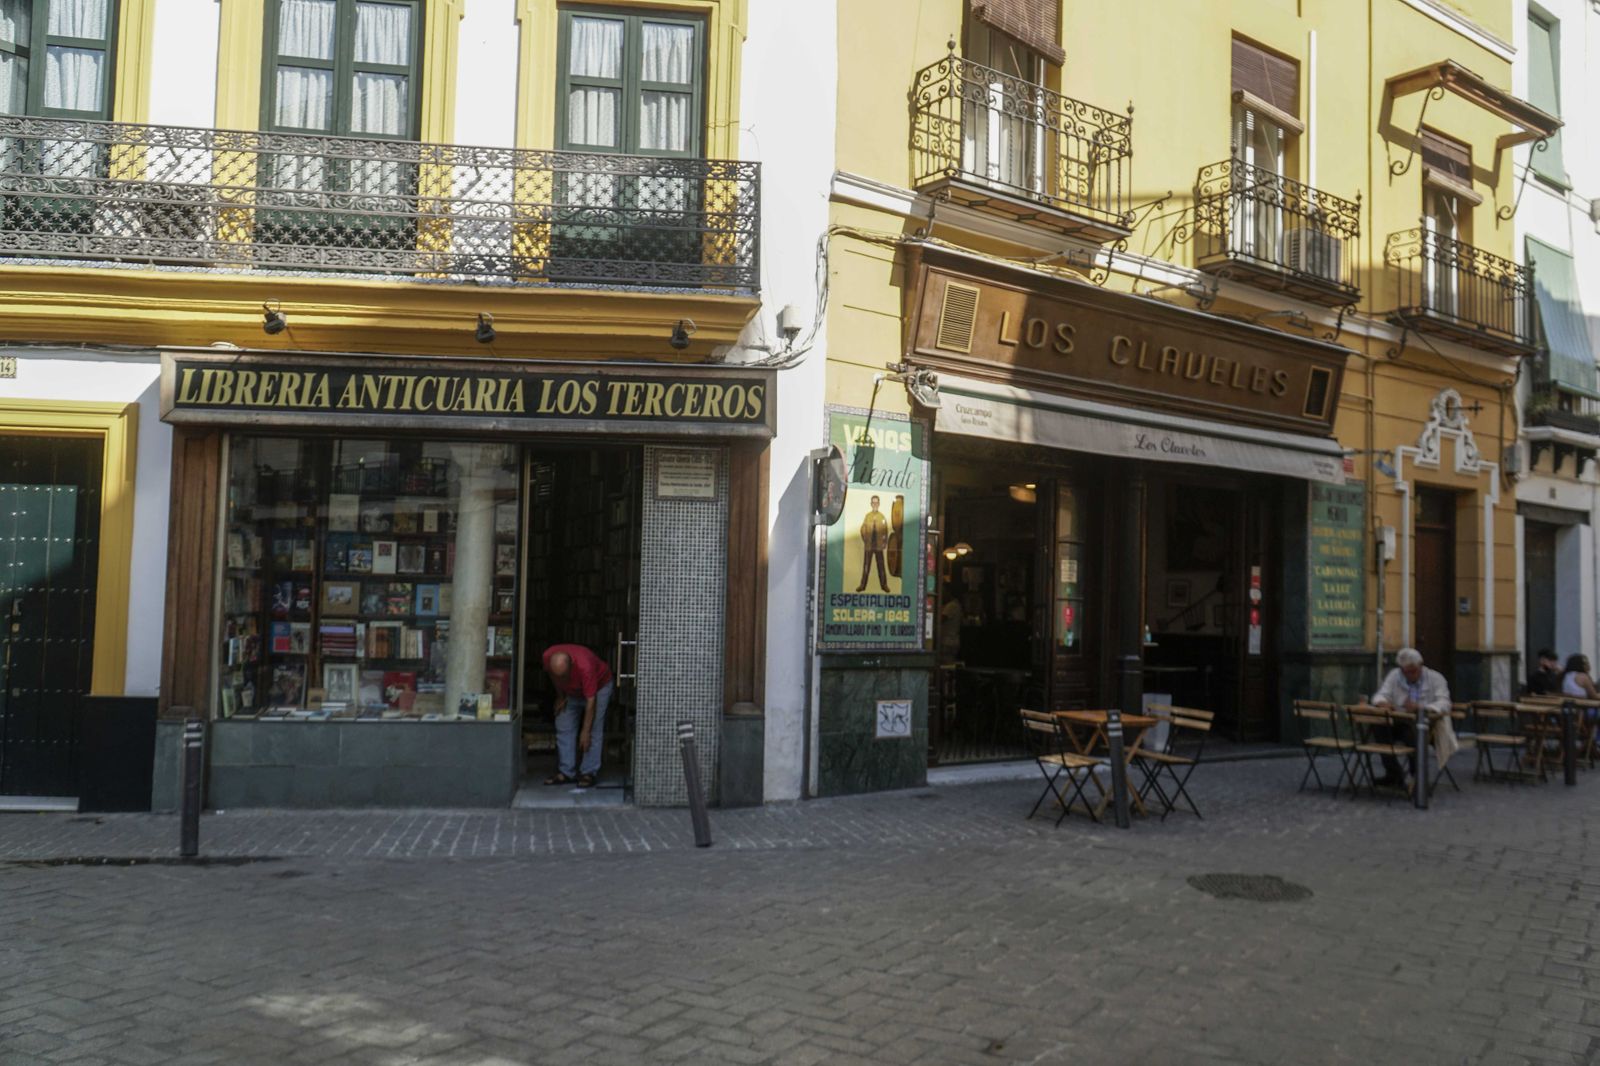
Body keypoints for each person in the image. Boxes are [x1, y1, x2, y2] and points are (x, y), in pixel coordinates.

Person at [1371, 647, 1454, 789]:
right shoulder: (1395, 675)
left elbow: (1445, 703)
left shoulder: (1435, 678)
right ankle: (1394, 774)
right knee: (1378, 727)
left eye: (1413, 671)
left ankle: (1417, 777)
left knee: (1413, 735)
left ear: (1420, 665)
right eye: (1406, 672)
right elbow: (1381, 694)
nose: (1409, 675)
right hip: (1399, 720)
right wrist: (1382, 702)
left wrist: (1421, 708)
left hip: (1426, 725)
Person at [542, 643, 614, 788]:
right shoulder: (547, 657)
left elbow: (591, 701)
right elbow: (553, 676)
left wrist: (585, 731)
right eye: (558, 676)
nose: (560, 679)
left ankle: (588, 772)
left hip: (599, 688)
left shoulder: (585, 666)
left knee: (593, 729)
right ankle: (566, 772)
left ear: (571, 667)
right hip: (571, 692)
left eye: (563, 676)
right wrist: (560, 696)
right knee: (563, 723)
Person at [856, 495, 891, 593]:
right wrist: (865, 540)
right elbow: (862, 529)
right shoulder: (868, 516)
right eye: (873, 502)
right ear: (871, 504)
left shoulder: (882, 517)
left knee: (881, 566)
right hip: (869, 546)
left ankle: (884, 586)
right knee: (866, 566)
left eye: (876, 503)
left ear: (879, 504)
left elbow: (885, 531)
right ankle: (862, 586)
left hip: (879, 546)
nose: (875, 504)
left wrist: (884, 543)